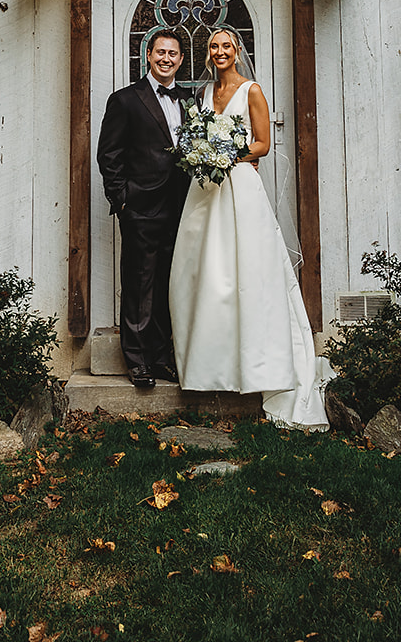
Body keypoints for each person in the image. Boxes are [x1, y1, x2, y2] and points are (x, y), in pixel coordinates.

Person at [169, 28, 331, 428]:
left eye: (226, 46)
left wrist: (226, 154)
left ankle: (260, 365)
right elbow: (197, 135)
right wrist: (201, 153)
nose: (220, 52)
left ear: (237, 51)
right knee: (206, 272)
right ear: (207, 54)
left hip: (239, 187)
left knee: (248, 272)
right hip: (207, 189)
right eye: (213, 47)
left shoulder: (251, 90)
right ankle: (210, 367)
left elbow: (262, 144)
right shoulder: (205, 94)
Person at [96, 29, 191, 390]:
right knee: (139, 284)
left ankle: (163, 357)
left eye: (174, 54)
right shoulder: (125, 100)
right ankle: (137, 361)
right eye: (161, 52)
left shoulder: (188, 99)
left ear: (181, 60)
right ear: (148, 55)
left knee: (171, 284)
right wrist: (122, 200)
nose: (167, 59)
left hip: (182, 208)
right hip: (140, 207)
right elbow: (110, 155)